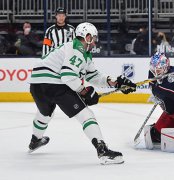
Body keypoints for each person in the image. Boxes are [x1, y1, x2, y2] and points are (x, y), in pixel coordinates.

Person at [28, 22, 137, 165]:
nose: (96, 41)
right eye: (94, 37)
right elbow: (67, 76)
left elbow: (93, 75)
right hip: (54, 84)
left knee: (45, 113)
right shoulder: (77, 49)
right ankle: (103, 151)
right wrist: (84, 91)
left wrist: (115, 82)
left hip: (36, 84)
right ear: (87, 37)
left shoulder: (77, 50)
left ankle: (35, 140)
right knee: (87, 115)